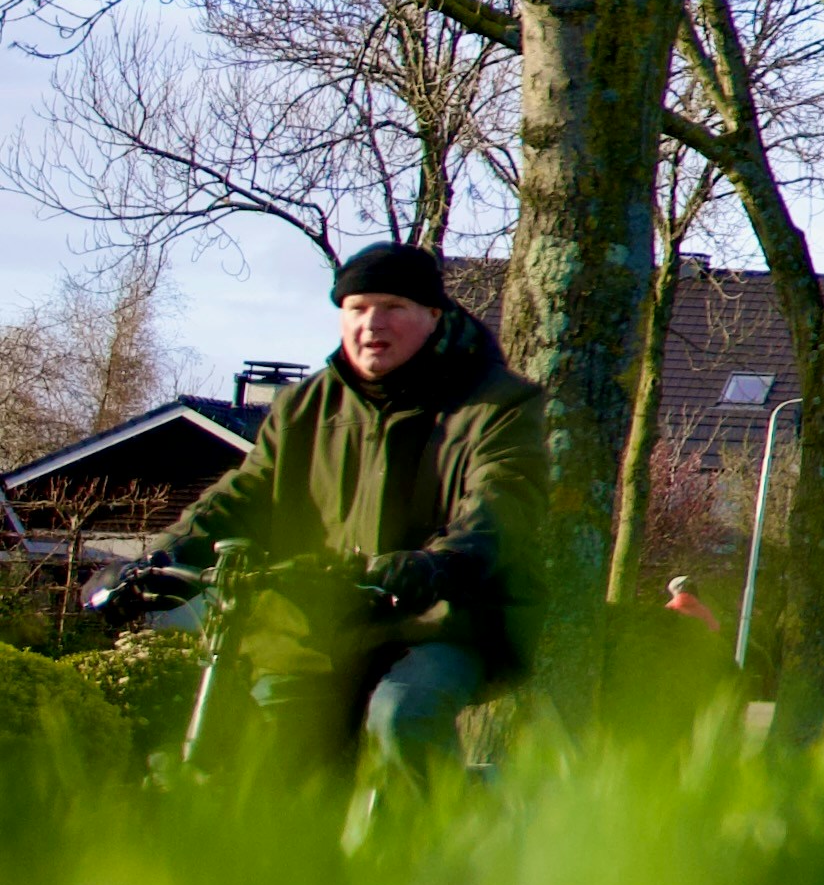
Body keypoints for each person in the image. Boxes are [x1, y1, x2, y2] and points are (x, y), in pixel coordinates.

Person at [106, 239, 538, 775]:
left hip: (439, 621)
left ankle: (446, 849)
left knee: (403, 715)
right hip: (316, 624)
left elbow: (502, 501)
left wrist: (443, 562)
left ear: (433, 314)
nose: (371, 324)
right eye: (356, 309)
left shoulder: (498, 404)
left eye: (393, 308)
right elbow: (247, 491)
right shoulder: (303, 406)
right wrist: (159, 557)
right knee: (265, 750)